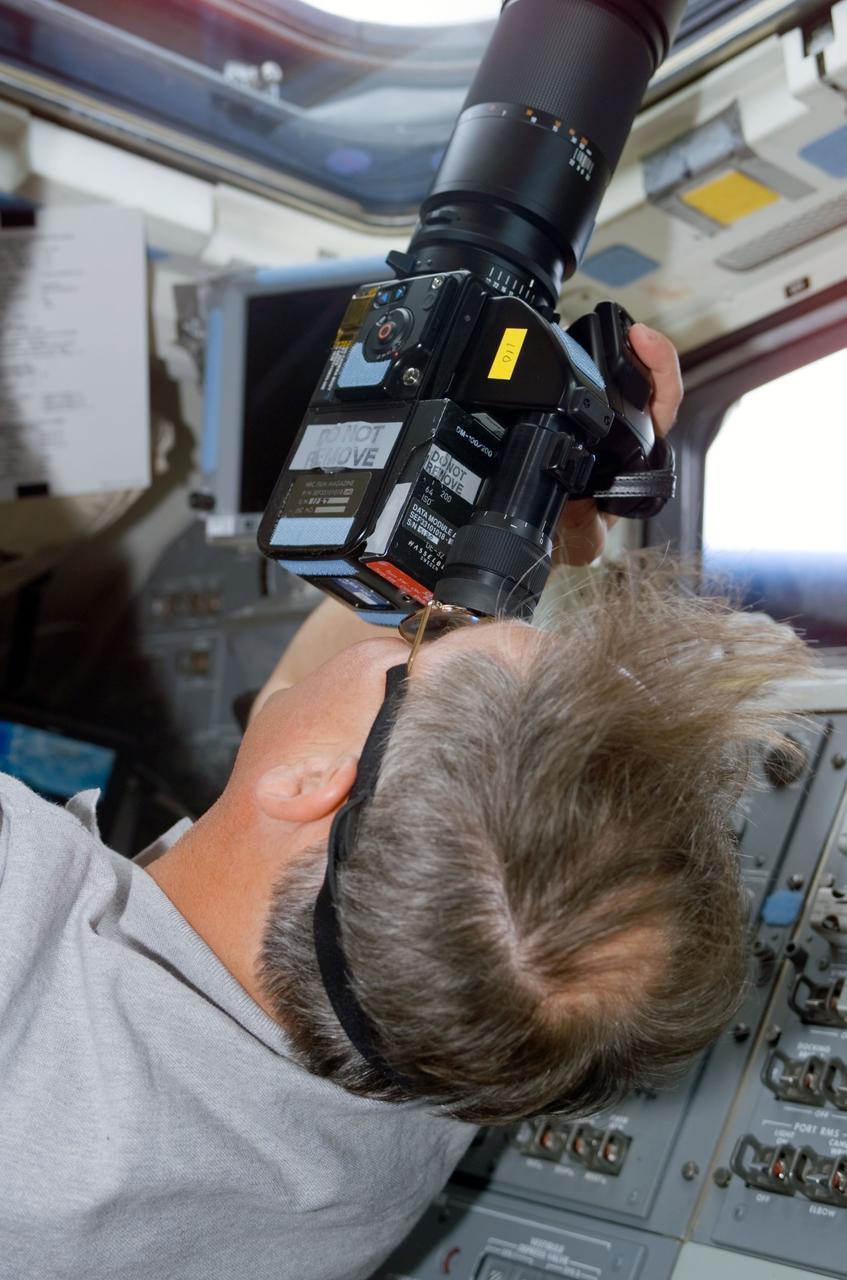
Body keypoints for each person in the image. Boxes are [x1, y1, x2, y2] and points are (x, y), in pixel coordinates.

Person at [0, 327, 806, 1280]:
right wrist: (516, 509)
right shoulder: (420, 1089)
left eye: (423, 644)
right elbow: (343, 763)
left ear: (309, 786)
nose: (417, 626)